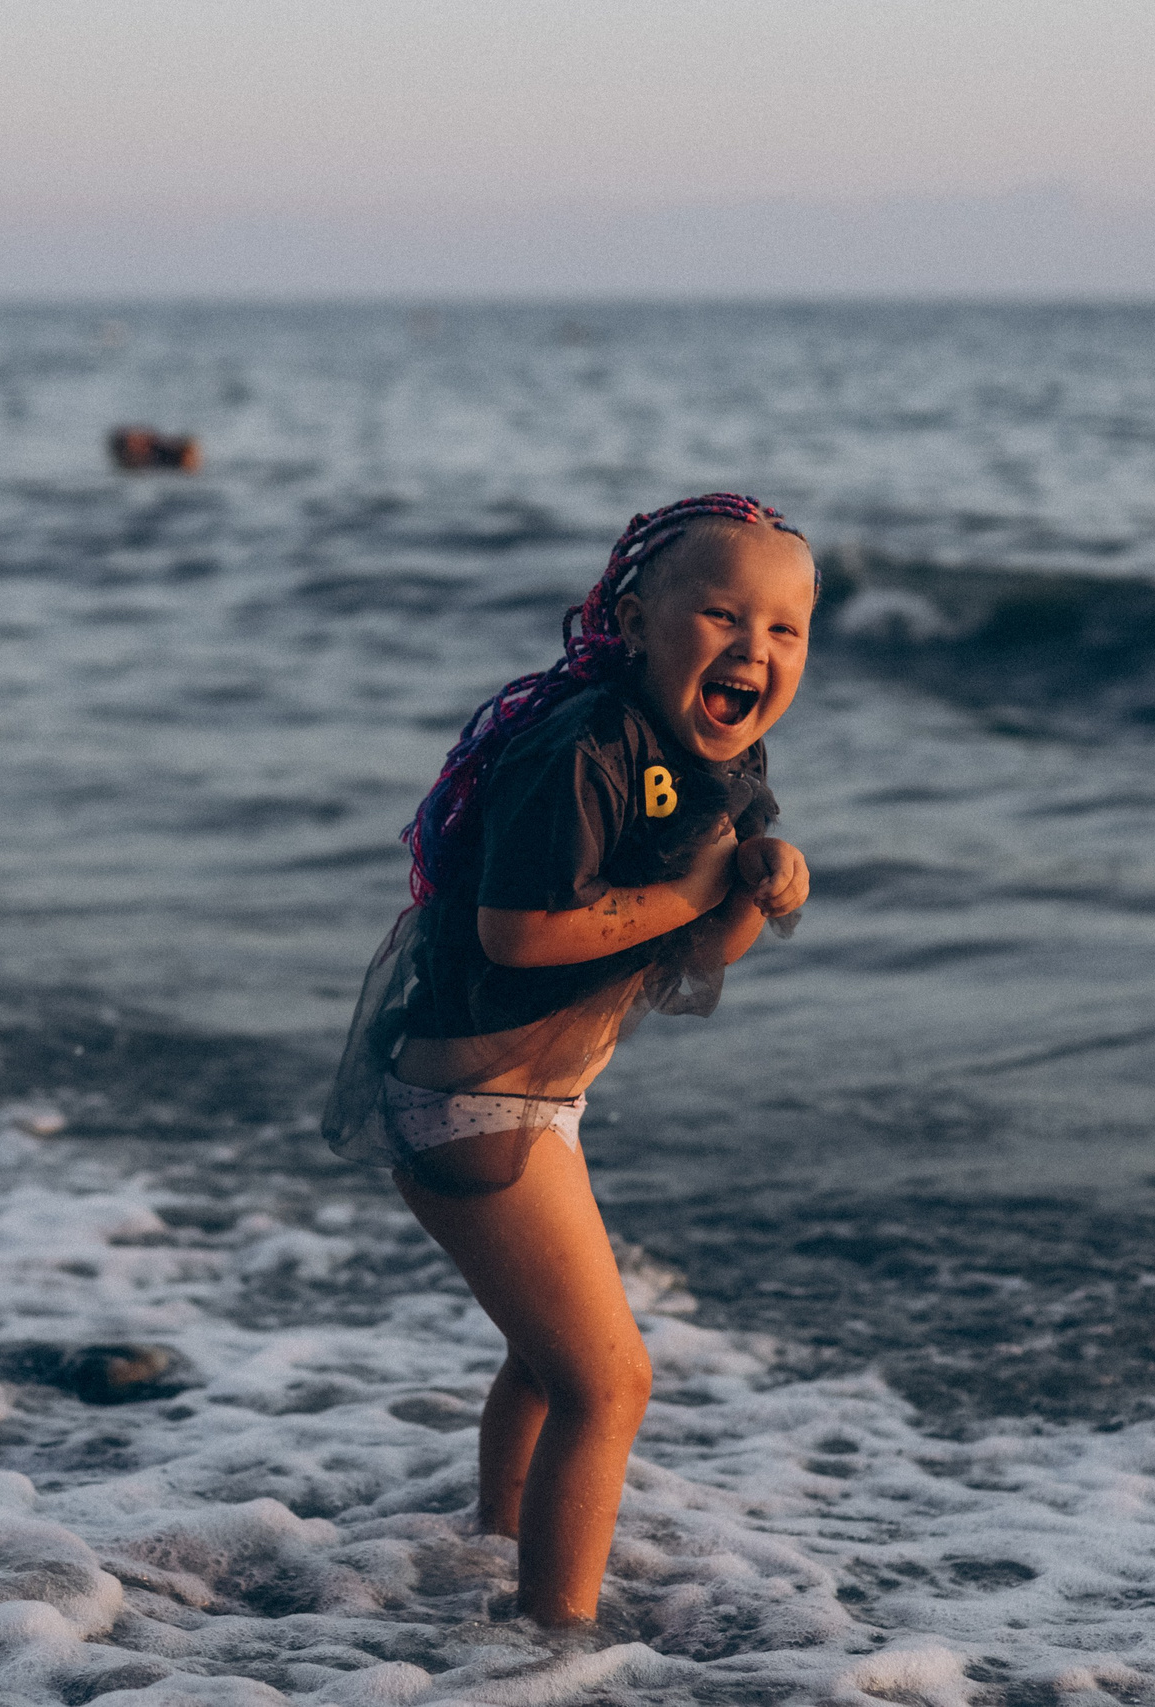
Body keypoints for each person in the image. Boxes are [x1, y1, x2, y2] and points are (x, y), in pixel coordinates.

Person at [323, 493, 816, 1626]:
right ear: (635, 622)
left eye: (785, 630)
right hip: (474, 1103)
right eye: (721, 615)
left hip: (529, 1100)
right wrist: (695, 884)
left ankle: (497, 1541)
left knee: (549, 1361)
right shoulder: (585, 747)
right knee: (611, 1383)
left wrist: (756, 881)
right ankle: (552, 1643)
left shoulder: (717, 762)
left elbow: (692, 955)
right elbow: (519, 931)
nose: (752, 648)